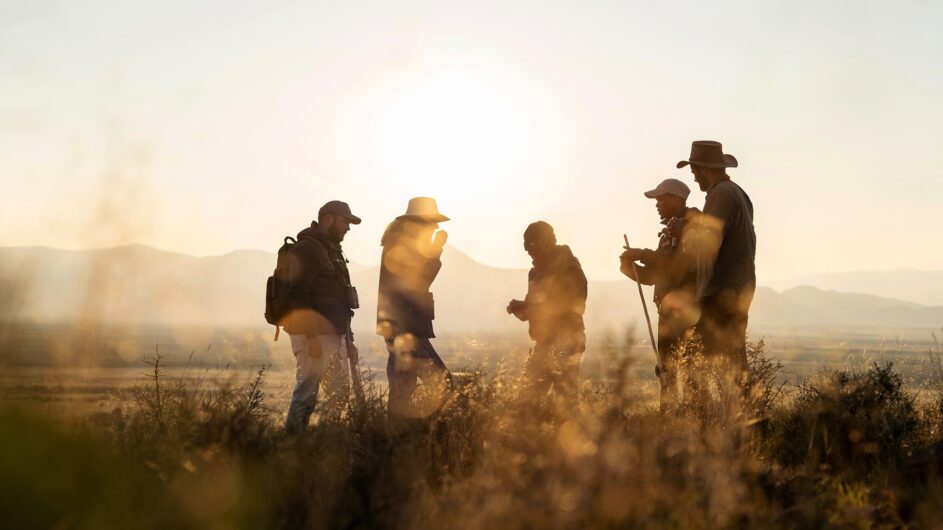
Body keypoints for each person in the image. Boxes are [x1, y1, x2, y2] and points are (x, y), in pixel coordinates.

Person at [677, 140, 756, 386]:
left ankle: (702, 420)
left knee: (695, 361)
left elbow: (706, 245)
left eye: (694, 172)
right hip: (735, 290)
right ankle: (745, 417)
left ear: (702, 169)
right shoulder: (736, 193)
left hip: (721, 293)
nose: (694, 179)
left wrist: (686, 230)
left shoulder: (721, 194)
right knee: (731, 362)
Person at [620, 178, 700, 410]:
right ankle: (668, 423)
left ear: (676, 200)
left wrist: (642, 254)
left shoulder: (692, 228)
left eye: (661, 199)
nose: (656, 204)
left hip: (686, 313)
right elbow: (658, 275)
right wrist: (630, 269)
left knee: (689, 370)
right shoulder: (669, 232)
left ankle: (696, 424)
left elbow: (675, 269)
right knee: (667, 370)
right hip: (668, 314)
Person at [283, 200, 362, 432]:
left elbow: (340, 299)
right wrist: (311, 337)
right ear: (328, 218)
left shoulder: (332, 250)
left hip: (333, 336)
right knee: (307, 393)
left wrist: (349, 341)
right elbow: (298, 294)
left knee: (339, 391)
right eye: (345, 221)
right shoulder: (308, 248)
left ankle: (321, 443)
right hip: (314, 336)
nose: (348, 227)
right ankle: (291, 446)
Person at [377, 197, 452, 418]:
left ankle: (396, 440)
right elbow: (419, 281)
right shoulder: (404, 245)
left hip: (401, 328)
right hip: (406, 330)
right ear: (421, 222)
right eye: (433, 222)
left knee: (402, 392)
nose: (436, 228)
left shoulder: (401, 243)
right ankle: (431, 436)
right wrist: (436, 251)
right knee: (443, 384)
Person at [507, 221, 588, 402]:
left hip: (568, 340)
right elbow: (532, 309)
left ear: (545, 242)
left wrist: (531, 308)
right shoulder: (534, 273)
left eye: (532, 245)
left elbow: (572, 305)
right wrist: (519, 308)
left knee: (565, 401)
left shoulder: (569, 268)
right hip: (543, 342)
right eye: (526, 245)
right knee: (528, 398)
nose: (528, 251)